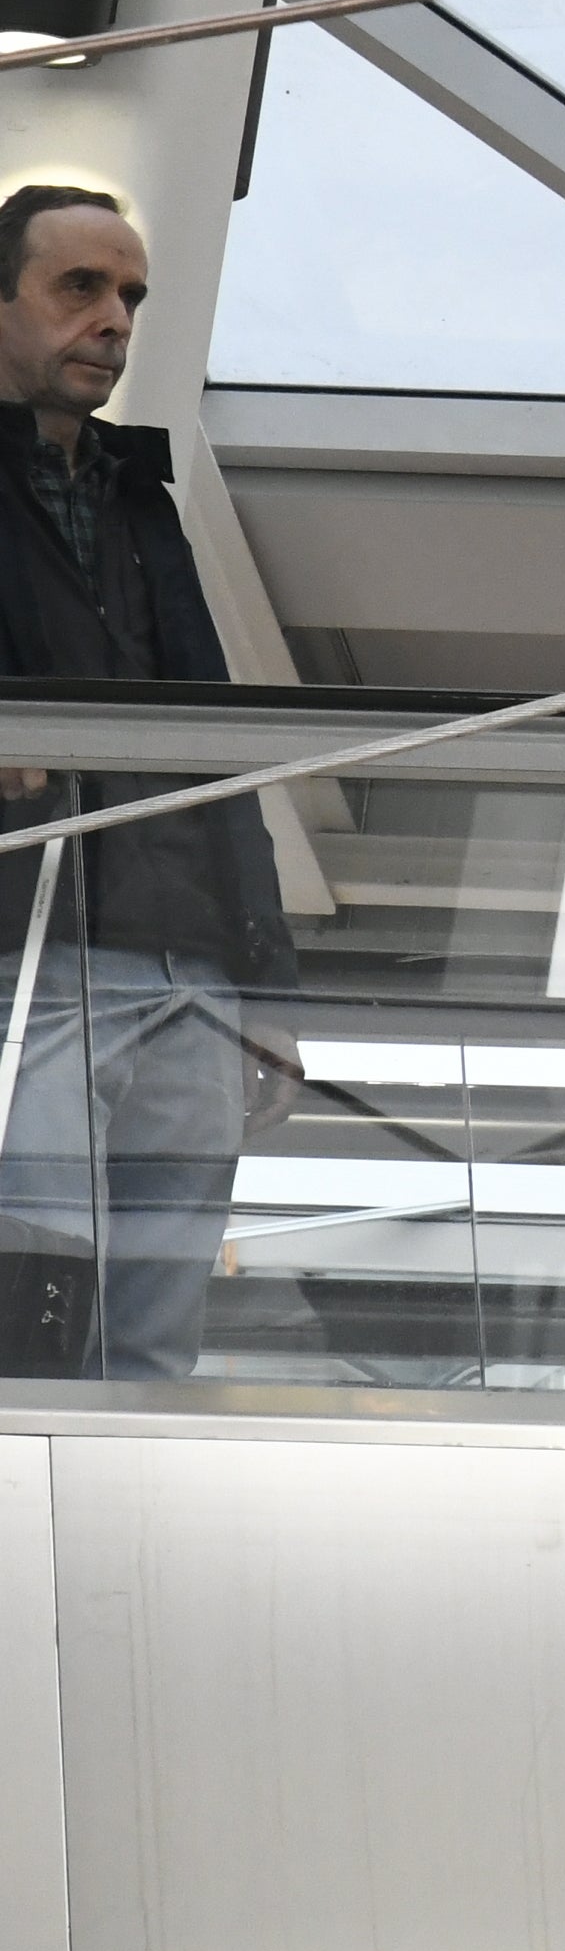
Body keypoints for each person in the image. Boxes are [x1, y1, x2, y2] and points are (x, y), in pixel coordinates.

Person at [0, 183, 293, 1384]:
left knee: (157, 1339)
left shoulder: (138, 498)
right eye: (80, 287)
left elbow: (217, 743)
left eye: (129, 295)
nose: (114, 318)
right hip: (31, 958)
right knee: (37, 1316)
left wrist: (263, 983)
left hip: (185, 969)